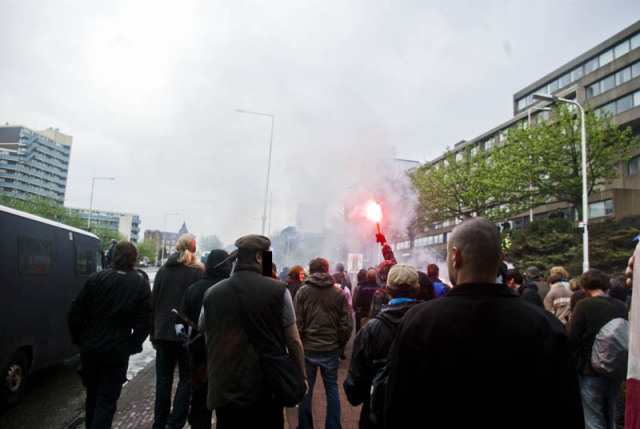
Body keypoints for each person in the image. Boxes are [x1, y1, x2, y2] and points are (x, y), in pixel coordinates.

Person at [383, 217, 583, 428]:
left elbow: (397, 407)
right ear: (501, 260)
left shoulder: (418, 322)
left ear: (455, 256)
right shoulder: (547, 327)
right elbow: (567, 414)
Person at [201, 235, 306, 429]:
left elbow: (207, 335)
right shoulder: (279, 291)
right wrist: (301, 377)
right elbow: (293, 340)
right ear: (259, 257)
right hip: (266, 390)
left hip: (225, 390)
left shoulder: (212, 293)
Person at [68, 241, 153, 428]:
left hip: (91, 347)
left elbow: (75, 311)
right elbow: (145, 320)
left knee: (92, 396)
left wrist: (80, 339)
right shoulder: (139, 283)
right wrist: (133, 344)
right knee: (106, 401)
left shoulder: (97, 278)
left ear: (113, 256)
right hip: (117, 349)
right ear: (134, 258)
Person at [344, 264, 423, 429]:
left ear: (387, 289)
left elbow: (354, 391)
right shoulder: (432, 324)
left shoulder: (370, 330)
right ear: (417, 289)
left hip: (376, 418)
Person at [151, 233, 204, 429]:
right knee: (186, 377)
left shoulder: (163, 270)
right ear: (192, 247)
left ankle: (159, 421)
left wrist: (153, 334)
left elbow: (154, 302)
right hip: (184, 330)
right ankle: (176, 422)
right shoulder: (197, 272)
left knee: (163, 379)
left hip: (163, 329)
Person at [294, 257, 353, 429]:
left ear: (311, 271)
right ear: (327, 270)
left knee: (306, 390)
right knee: (332, 389)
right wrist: (339, 344)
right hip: (330, 348)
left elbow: (297, 323)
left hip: (309, 349)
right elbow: (346, 324)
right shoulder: (338, 293)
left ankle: (305, 426)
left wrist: (301, 343)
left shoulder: (303, 292)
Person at [567, 269, 629, 429]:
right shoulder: (620, 306)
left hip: (590, 369)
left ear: (585, 287)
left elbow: (572, 337)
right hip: (615, 369)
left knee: (593, 418)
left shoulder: (584, 305)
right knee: (611, 416)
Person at [179, 250, 232, 429]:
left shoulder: (192, 290)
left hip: (199, 359)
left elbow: (179, 325)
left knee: (200, 406)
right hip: (226, 359)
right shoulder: (230, 290)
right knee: (226, 409)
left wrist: (188, 346)